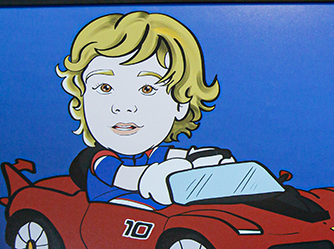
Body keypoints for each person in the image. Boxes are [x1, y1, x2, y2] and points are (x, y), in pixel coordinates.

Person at [57, 11, 226, 209]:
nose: (123, 107)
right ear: (81, 98)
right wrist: (147, 178)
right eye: (105, 87)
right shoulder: (101, 159)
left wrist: (203, 158)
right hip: (113, 212)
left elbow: (176, 156)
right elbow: (120, 175)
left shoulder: (154, 155)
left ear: (181, 104)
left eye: (147, 89)